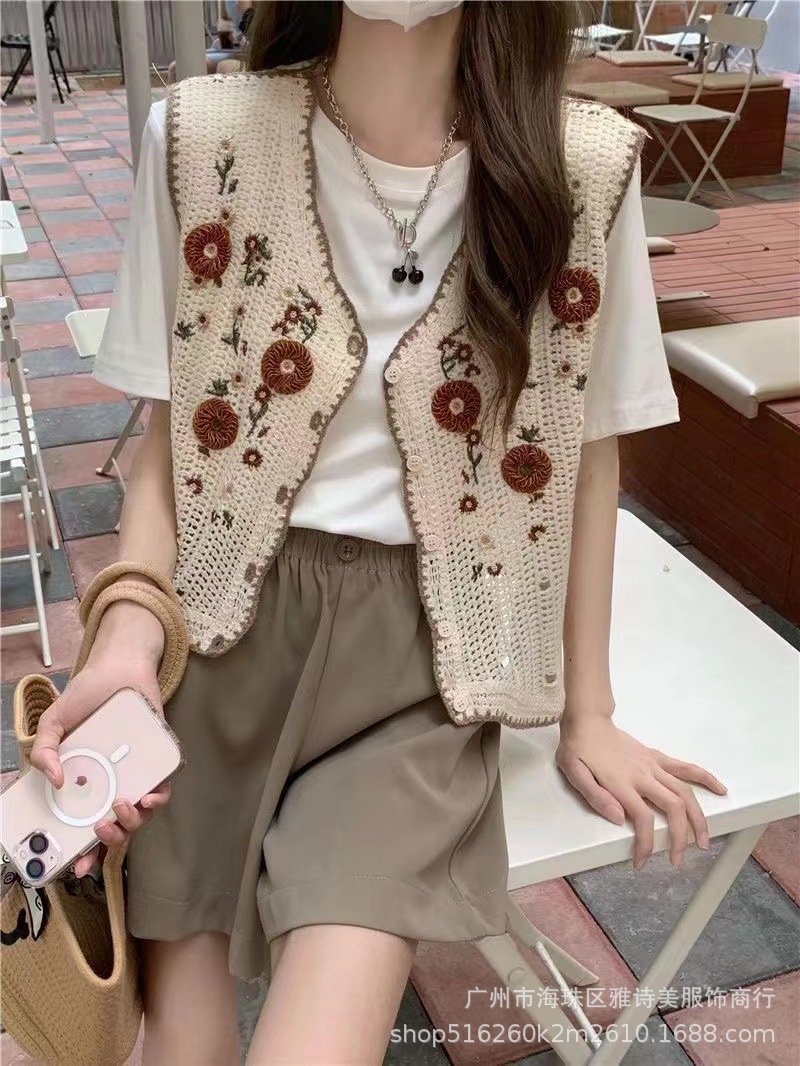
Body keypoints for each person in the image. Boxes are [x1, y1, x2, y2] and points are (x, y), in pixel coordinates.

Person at [31, 2, 727, 1062]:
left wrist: (588, 710)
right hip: (216, 641)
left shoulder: (581, 168)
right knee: (182, 1040)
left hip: (422, 675)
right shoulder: (202, 136)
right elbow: (172, 448)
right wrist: (126, 640)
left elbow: (586, 454)